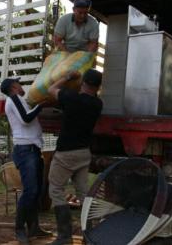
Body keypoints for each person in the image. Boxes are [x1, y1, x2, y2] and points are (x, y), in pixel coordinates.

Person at [47, 69, 103, 245]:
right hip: (83, 154)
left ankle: (65, 236)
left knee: (55, 189)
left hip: (66, 153)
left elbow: (51, 89)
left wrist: (67, 77)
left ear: (83, 82)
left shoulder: (71, 98)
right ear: (98, 86)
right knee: (84, 193)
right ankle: (89, 236)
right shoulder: (97, 104)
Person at [0, 77, 52, 244]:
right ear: (14, 86)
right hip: (26, 151)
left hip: (32, 149)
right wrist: (42, 105)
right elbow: (26, 118)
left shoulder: (19, 100)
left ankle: (34, 227)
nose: (21, 86)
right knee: (30, 191)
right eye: (19, 83)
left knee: (36, 191)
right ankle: (19, 229)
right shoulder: (13, 99)